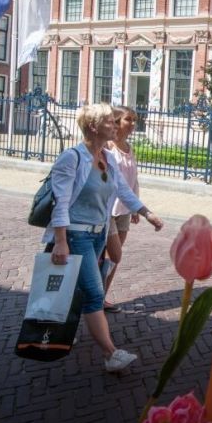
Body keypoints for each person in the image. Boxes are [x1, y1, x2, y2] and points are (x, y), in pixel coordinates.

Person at [45, 103, 164, 373]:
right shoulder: (72, 158)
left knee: (80, 289)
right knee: (94, 293)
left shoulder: (107, 158)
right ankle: (111, 354)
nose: (114, 125)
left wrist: (146, 213)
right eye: (110, 122)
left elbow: (123, 190)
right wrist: (61, 241)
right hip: (77, 235)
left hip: (98, 234)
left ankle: (64, 327)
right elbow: (60, 204)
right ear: (93, 127)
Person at [103, 106, 140, 313]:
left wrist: (136, 207)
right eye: (129, 119)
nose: (133, 124)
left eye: (135, 120)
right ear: (117, 122)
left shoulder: (129, 147)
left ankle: (102, 296)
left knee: (114, 257)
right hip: (108, 210)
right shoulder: (108, 147)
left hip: (125, 209)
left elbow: (134, 179)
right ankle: (93, 296)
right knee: (112, 255)